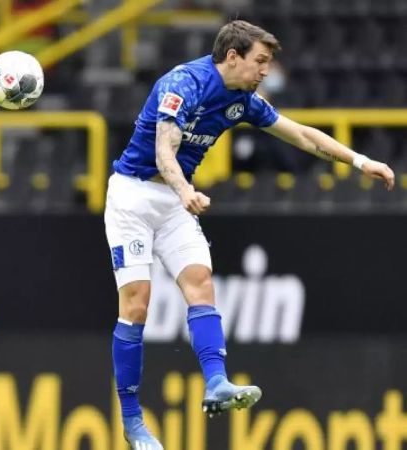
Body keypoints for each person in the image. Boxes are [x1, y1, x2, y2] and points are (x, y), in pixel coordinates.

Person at [105, 20, 394, 450]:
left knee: (201, 282)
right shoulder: (183, 83)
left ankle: (217, 383)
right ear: (233, 56)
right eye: (260, 61)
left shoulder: (243, 99)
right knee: (137, 304)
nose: (265, 71)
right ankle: (132, 421)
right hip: (133, 195)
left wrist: (358, 160)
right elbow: (164, 148)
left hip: (175, 200)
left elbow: (299, 134)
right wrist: (186, 190)